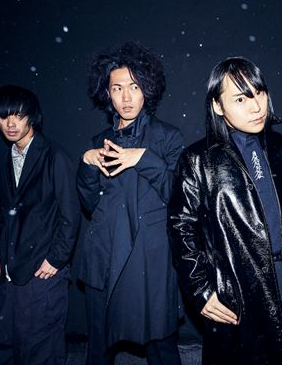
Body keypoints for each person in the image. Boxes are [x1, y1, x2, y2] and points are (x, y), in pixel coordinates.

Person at [168, 57, 282, 365]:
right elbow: (181, 228)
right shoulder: (197, 159)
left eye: (259, 93)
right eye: (240, 99)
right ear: (217, 106)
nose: (256, 107)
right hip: (238, 289)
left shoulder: (281, 146)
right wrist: (200, 289)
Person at [74, 42, 184, 365]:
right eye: (117, 88)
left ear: (146, 89)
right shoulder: (99, 141)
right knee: (99, 350)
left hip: (150, 262)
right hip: (104, 259)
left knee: (161, 348)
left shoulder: (168, 137)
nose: (126, 97)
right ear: (107, 93)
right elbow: (90, 205)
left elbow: (180, 198)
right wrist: (86, 165)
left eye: (134, 87)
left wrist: (143, 159)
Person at [0, 85, 80, 365]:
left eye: (18, 115)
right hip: (11, 268)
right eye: (4, 116)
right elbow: (3, 214)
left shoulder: (54, 156)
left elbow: (70, 215)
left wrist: (56, 259)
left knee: (40, 347)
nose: (10, 123)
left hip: (43, 270)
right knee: (1, 343)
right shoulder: (6, 160)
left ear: (32, 117)